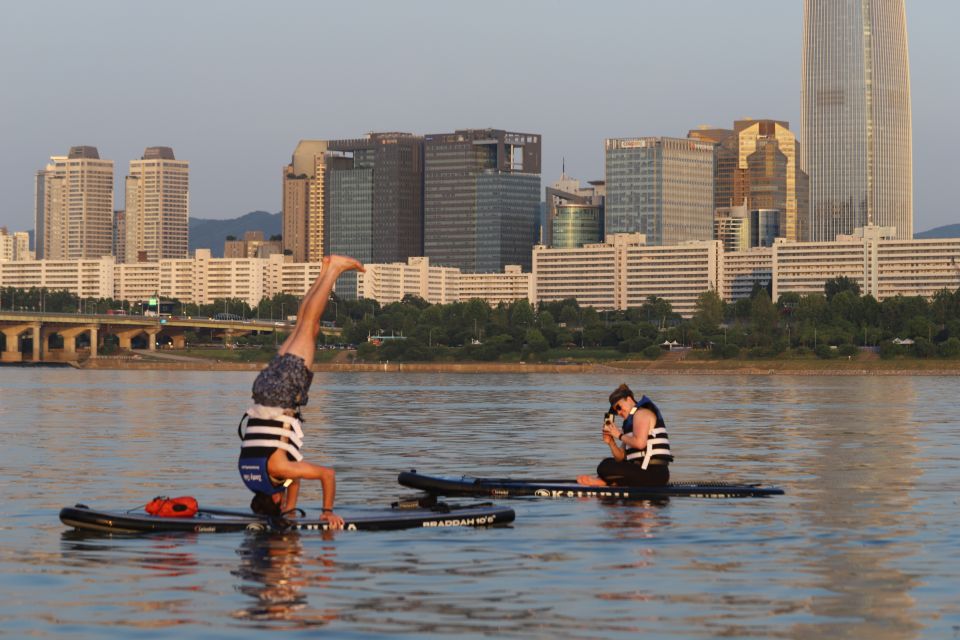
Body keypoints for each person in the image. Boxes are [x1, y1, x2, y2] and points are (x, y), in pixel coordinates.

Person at [237, 255, 364, 529]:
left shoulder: (280, 471)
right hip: (263, 390)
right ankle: (325, 271)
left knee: (307, 325)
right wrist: (291, 509)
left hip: (284, 393)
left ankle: (334, 271)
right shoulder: (253, 476)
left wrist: (327, 511)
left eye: (281, 502)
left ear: (275, 500)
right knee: (307, 327)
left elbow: (326, 474)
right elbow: (290, 479)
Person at [577, 383, 673, 487]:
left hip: (654, 473)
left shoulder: (642, 413)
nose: (618, 412)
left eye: (619, 407)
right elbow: (620, 457)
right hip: (640, 471)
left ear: (629, 399)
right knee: (607, 462)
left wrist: (619, 435)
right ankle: (610, 482)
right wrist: (611, 442)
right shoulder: (629, 425)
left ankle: (606, 482)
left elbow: (640, 444)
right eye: (615, 410)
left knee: (604, 467)